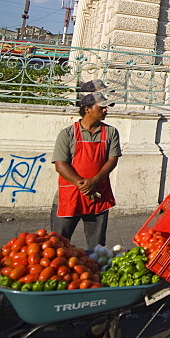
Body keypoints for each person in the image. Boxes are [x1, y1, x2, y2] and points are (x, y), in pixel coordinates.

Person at [51, 84, 121, 247]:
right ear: (87, 109)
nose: (105, 111)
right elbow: (61, 165)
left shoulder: (110, 133)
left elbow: (112, 160)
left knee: (97, 246)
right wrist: (82, 184)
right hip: (70, 195)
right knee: (58, 244)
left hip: (98, 194)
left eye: (107, 108)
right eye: (102, 107)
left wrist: (94, 181)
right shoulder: (67, 134)